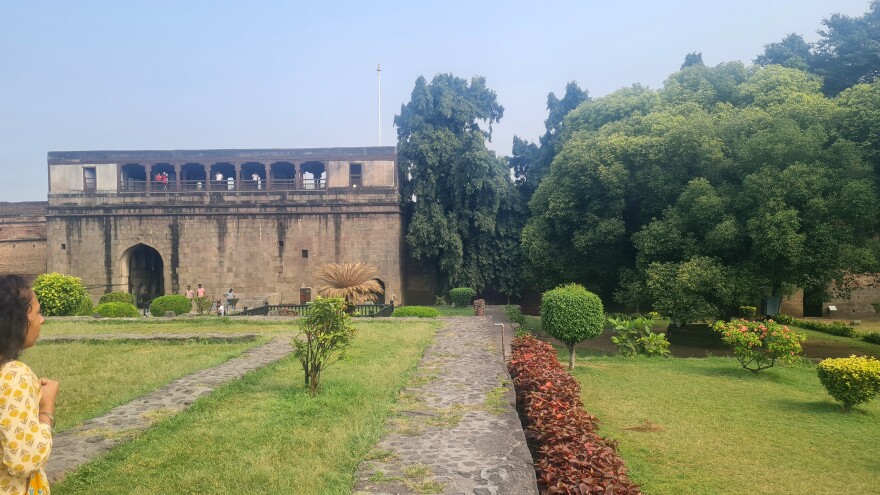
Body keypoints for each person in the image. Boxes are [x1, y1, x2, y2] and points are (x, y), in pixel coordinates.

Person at [0, 275, 58, 494]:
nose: (41, 320)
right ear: (16, 322)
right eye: (37, 312)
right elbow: (24, 461)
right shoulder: (14, 375)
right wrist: (46, 409)